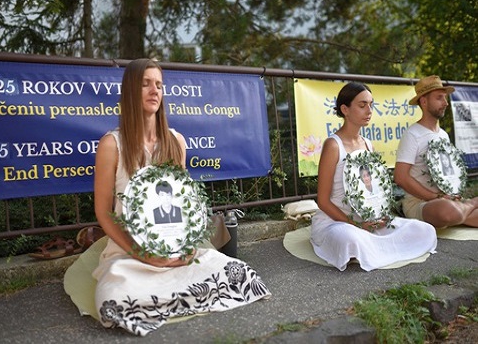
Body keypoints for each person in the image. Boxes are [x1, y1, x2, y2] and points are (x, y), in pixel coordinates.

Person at [65, 59, 270, 336]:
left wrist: (184, 246)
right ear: (129, 92)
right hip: (128, 252)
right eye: (146, 84)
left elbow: (183, 205)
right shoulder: (111, 145)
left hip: (174, 248)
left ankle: (171, 292)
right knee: (113, 301)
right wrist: (144, 255)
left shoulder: (176, 141)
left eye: (159, 85)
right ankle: (169, 294)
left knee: (240, 274)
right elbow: (103, 212)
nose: (155, 91)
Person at [310, 82, 437, 271]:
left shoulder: (368, 144)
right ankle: (368, 246)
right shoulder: (333, 145)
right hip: (337, 221)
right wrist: (355, 224)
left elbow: (374, 191)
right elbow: (322, 201)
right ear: (345, 109)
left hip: (369, 221)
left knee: (424, 230)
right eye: (362, 105)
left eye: (371, 104)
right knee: (351, 240)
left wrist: (380, 216)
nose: (369, 110)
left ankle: (372, 246)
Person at [394, 75, 478, 228]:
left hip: (448, 201)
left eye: (445, 98)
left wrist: (452, 194)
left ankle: (459, 213)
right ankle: (470, 205)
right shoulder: (412, 134)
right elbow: (400, 177)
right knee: (446, 210)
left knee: (451, 210)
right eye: (439, 98)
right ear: (424, 102)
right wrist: (436, 197)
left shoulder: (443, 135)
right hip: (421, 204)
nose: (445, 103)